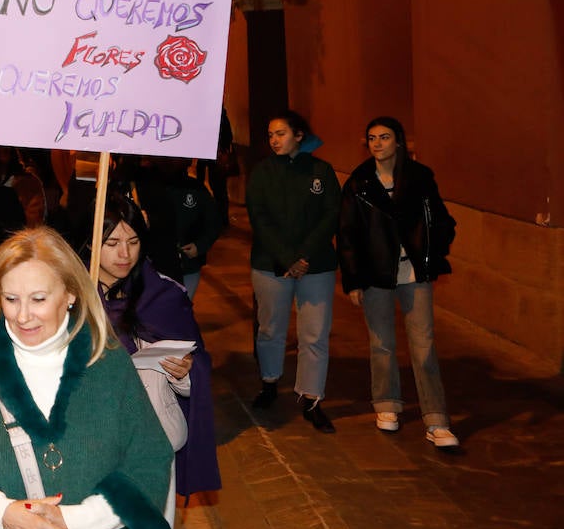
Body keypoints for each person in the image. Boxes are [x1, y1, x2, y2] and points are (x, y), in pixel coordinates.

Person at [0, 227, 174, 529]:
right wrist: (1, 513)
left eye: (38, 299)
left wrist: (75, 520)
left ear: (70, 294)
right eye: (10, 299)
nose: (23, 315)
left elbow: (149, 460)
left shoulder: (108, 363)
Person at [337, 116, 460, 449]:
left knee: (424, 347)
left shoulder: (420, 178)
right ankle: (387, 405)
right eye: (372, 138)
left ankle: (436, 420)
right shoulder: (359, 183)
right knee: (382, 344)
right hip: (375, 274)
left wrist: (433, 251)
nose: (378, 143)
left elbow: (442, 219)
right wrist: (352, 280)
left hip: (414, 274)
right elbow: (347, 235)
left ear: (399, 141)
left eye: (385, 137)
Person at [97, 197, 220, 499]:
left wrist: (184, 374)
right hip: (92, 443)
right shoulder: (67, 298)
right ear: (91, 243)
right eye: (112, 243)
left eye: (134, 242)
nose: (125, 254)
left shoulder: (164, 295)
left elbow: (199, 363)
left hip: (152, 443)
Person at [246, 110, 341, 432]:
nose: (274, 140)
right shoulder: (261, 173)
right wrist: (288, 258)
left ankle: (311, 398)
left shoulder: (321, 171)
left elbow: (331, 215)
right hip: (270, 265)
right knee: (270, 328)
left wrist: (304, 257)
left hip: (316, 266)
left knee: (314, 334)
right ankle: (269, 382)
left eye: (281, 133)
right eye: (271, 134)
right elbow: (259, 218)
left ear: (299, 135)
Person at [134, 156, 224, 298]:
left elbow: (214, 222)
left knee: (182, 309)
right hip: (154, 265)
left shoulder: (196, 189)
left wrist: (199, 246)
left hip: (188, 266)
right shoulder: (144, 187)